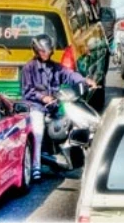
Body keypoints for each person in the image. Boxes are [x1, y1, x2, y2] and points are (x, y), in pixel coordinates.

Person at [20, 35, 97, 179]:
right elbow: (27, 91)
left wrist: (85, 81)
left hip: (53, 106)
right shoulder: (28, 68)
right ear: (36, 51)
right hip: (36, 107)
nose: (46, 54)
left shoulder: (55, 67)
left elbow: (70, 75)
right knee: (38, 131)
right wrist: (43, 97)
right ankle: (36, 166)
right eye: (43, 51)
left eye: (48, 51)